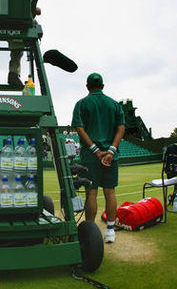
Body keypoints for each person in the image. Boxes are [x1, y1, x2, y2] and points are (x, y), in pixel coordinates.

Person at [71, 73, 125, 243]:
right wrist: (110, 151)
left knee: (91, 193)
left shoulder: (81, 104)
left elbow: (80, 129)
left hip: (90, 157)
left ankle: (90, 232)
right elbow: (121, 129)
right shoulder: (115, 104)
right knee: (110, 192)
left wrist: (95, 150)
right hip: (111, 156)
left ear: (87, 86)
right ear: (102, 86)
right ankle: (110, 231)